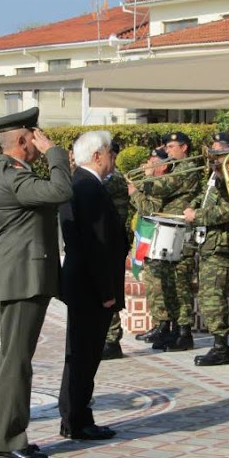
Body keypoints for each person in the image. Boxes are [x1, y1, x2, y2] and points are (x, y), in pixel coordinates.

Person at [0, 107, 71, 458]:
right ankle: (8, 443)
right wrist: (56, 153)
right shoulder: (12, 175)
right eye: (35, 137)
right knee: (16, 363)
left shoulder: (17, 174)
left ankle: (10, 437)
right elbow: (61, 189)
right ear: (23, 140)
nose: (40, 143)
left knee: (16, 361)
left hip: (24, 279)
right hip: (22, 280)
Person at [59, 131, 127, 440]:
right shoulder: (88, 187)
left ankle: (75, 417)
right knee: (84, 356)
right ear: (97, 156)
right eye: (111, 153)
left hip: (85, 286)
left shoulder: (84, 184)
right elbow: (96, 246)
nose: (114, 159)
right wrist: (107, 293)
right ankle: (77, 420)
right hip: (91, 288)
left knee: (82, 355)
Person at [129, 132, 200, 352]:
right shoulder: (179, 167)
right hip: (171, 232)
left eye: (171, 147)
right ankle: (171, 329)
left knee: (180, 284)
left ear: (184, 147)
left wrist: (147, 177)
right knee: (169, 284)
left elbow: (161, 187)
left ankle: (184, 332)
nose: (167, 151)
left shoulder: (189, 168)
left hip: (182, 235)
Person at [185, 132, 229, 366]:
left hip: (220, 245)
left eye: (219, 152)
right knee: (208, 296)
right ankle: (219, 344)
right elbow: (205, 198)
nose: (214, 157)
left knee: (213, 296)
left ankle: (221, 346)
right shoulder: (215, 176)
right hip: (207, 243)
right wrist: (193, 206)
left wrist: (197, 215)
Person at [129, 149, 172, 343]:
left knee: (158, 285)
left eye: (153, 161)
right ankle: (158, 324)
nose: (147, 164)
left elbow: (150, 208)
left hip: (160, 239)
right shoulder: (152, 183)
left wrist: (134, 193)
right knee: (152, 284)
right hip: (150, 237)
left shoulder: (163, 184)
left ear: (163, 166)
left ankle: (162, 325)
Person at [102, 142, 129, 361]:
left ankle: (112, 340)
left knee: (110, 290)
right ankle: (107, 338)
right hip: (107, 242)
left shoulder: (115, 179)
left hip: (113, 242)